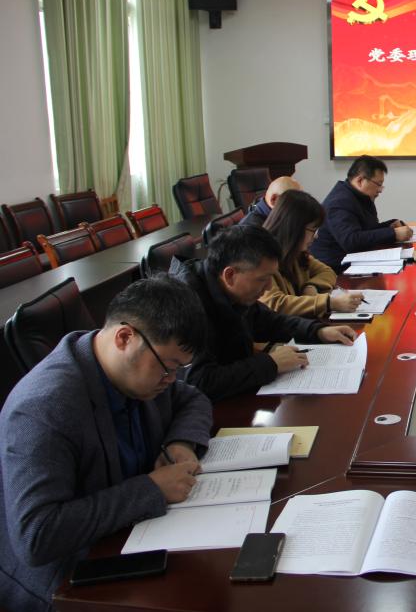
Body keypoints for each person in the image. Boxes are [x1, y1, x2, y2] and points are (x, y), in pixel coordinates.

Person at [0, 277, 212, 612]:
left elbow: (193, 399)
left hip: (134, 535)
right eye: (168, 368)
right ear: (125, 337)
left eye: (178, 370)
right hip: (68, 580)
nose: (171, 380)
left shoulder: (136, 371)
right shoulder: (45, 407)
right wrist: (151, 489)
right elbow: (37, 535)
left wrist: (180, 443)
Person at [172, 224, 357, 402]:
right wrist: (271, 363)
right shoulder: (186, 306)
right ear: (230, 275)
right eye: (263, 279)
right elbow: (199, 382)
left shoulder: (231, 291)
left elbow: (269, 321)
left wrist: (318, 331)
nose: (269, 287)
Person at [262, 190, 364, 317]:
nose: (316, 236)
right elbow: (276, 304)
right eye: (313, 230)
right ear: (295, 228)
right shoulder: (261, 258)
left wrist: (311, 286)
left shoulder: (296, 253)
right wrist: (330, 303)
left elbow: (327, 271)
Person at [309, 156, 412, 268]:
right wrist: (393, 234)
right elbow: (351, 241)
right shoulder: (339, 202)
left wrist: (389, 226)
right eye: (378, 184)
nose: (380, 190)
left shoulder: (360, 197)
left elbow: (365, 230)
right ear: (360, 181)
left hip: (354, 261)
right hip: (335, 269)